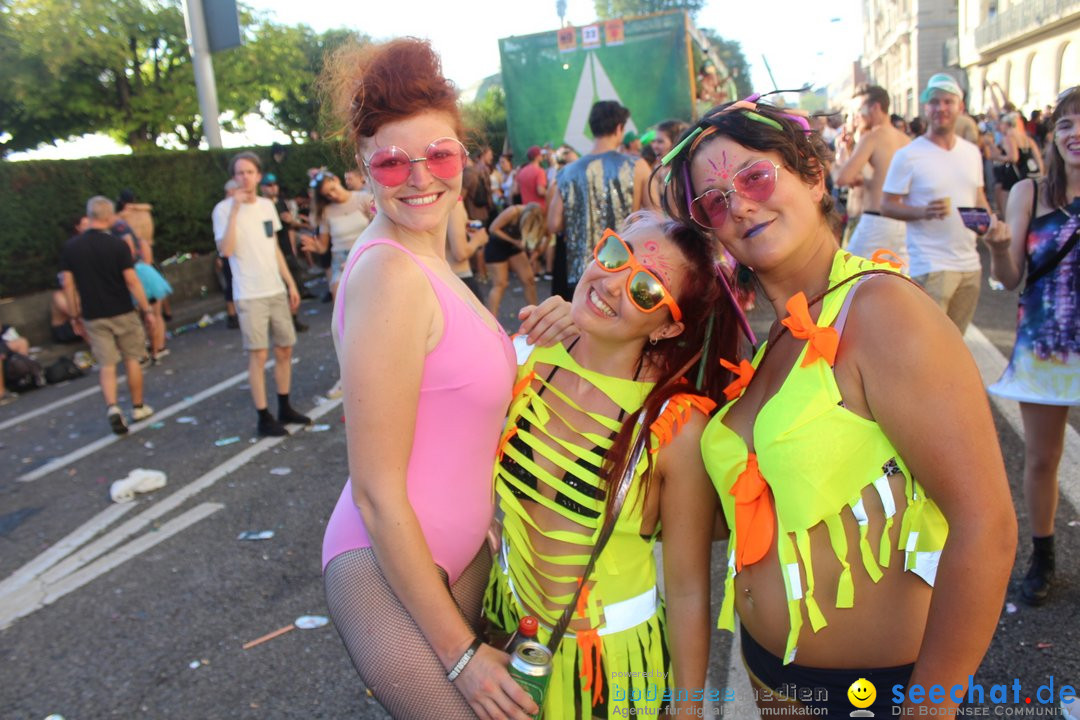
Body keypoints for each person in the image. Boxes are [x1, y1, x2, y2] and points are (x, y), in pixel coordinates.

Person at [661, 96, 1015, 716]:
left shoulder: (881, 312)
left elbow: (986, 526)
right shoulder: (770, 339)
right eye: (713, 201)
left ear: (813, 175)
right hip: (767, 679)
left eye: (755, 176)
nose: (739, 203)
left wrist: (930, 707)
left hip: (872, 698)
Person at [318, 38, 575, 720]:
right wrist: (460, 655)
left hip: (460, 553)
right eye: (391, 162)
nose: (419, 177)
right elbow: (375, 492)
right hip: (388, 566)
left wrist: (538, 335)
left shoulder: (427, 257)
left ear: (462, 156)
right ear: (363, 169)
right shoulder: (388, 273)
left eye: (438, 155)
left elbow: (448, 391)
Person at [484, 211, 741, 718]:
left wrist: (688, 711)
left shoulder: (674, 428)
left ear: (667, 326)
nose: (613, 285)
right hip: (502, 634)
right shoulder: (524, 357)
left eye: (646, 290)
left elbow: (689, 590)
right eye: (615, 256)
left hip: (613, 670)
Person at [985, 87, 1080, 607]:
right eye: (1065, 124)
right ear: (1053, 134)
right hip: (1044, 344)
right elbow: (1010, 276)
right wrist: (999, 249)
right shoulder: (1029, 193)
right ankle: (1043, 556)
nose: (1074, 133)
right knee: (1043, 458)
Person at [882, 73, 996, 333]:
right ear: (926, 108)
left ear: (960, 107)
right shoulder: (909, 155)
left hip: (970, 266)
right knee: (928, 343)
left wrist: (992, 230)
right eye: (935, 102)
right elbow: (887, 204)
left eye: (948, 102)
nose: (941, 108)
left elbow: (978, 199)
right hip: (930, 266)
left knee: (957, 343)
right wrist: (922, 211)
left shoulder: (971, 152)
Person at [212, 151, 311, 438]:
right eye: (240, 173)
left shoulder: (268, 206)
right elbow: (226, 250)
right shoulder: (222, 210)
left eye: (250, 172)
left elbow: (275, 248)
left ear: (257, 175)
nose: (245, 177)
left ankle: (284, 406)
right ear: (233, 177)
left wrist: (291, 284)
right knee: (258, 355)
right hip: (249, 293)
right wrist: (234, 210)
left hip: (275, 289)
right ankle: (263, 416)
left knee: (285, 348)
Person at [61, 196, 157, 435]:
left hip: (93, 314)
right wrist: (146, 309)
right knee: (132, 358)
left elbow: (68, 285)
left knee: (107, 364)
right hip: (122, 309)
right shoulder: (117, 245)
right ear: (108, 217)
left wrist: (74, 316)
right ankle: (137, 405)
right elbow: (132, 281)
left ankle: (113, 406)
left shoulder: (72, 248)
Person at [548, 101, 650, 301]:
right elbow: (654, 217)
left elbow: (553, 224)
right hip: (623, 272)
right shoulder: (637, 166)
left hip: (580, 275)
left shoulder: (567, 172)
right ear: (619, 128)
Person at [833, 85, 911, 263]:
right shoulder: (906, 140)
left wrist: (840, 156)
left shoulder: (873, 137)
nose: (858, 115)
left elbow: (842, 178)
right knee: (895, 283)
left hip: (876, 221)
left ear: (876, 107)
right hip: (903, 223)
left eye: (860, 109)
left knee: (847, 275)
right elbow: (882, 177)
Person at [301, 169, 372, 300]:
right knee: (339, 300)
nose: (333, 195)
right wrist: (315, 247)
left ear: (337, 180)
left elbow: (379, 230)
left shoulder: (363, 199)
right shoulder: (326, 212)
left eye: (333, 189)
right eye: (327, 195)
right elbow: (323, 246)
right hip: (340, 260)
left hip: (366, 255)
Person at [260, 173, 311, 326]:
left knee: (294, 283)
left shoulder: (280, 202)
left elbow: (289, 228)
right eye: (269, 185)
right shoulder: (261, 206)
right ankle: (286, 320)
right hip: (274, 252)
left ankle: (293, 318)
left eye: (274, 184)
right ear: (262, 188)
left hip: (286, 250)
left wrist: (292, 249)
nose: (273, 188)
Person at [484, 202, 541, 316]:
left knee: (529, 279)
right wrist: (514, 241)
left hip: (514, 247)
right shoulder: (513, 212)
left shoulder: (538, 218)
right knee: (500, 284)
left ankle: (536, 315)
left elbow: (547, 236)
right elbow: (493, 229)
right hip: (497, 246)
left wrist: (536, 253)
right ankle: (490, 322)